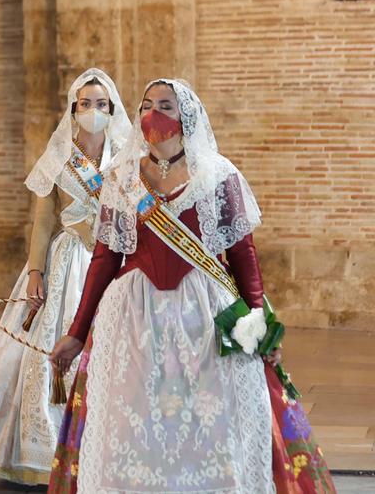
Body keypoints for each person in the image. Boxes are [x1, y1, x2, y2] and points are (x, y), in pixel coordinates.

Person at [48, 79, 335, 493]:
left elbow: (243, 256)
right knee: (133, 417)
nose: (153, 115)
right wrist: (77, 333)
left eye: (166, 105)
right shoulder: (121, 178)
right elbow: (105, 259)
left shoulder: (217, 175)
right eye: (147, 105)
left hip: (206, 315)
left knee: (215, 417)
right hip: (133, 319)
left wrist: (258, 321)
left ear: (187, 116)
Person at [0, 69, 132, 485]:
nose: (93, 111)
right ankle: (46, 455)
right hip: (67, 262)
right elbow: (42, 224)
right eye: (85, 104)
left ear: (112, 110)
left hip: (113, 265)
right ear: (73, 110)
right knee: (43, 360)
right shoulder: (59, 158)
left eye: (101, 104)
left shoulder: (127, 158)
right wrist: (36, 273)